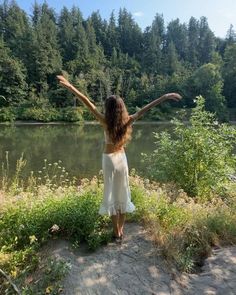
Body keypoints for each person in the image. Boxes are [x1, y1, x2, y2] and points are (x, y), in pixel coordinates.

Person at [57, 75, 182, 243]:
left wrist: (70, 86)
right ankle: (120, 231)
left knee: (111, 195)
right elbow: (145, 109)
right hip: (121, 159)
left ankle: (116, 232)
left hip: (109, 159)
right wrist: (164, 97)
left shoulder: (104, 121)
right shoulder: (128, 121)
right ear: (121, 108)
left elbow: (87, 101)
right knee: (122, 194)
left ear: (108, 109)